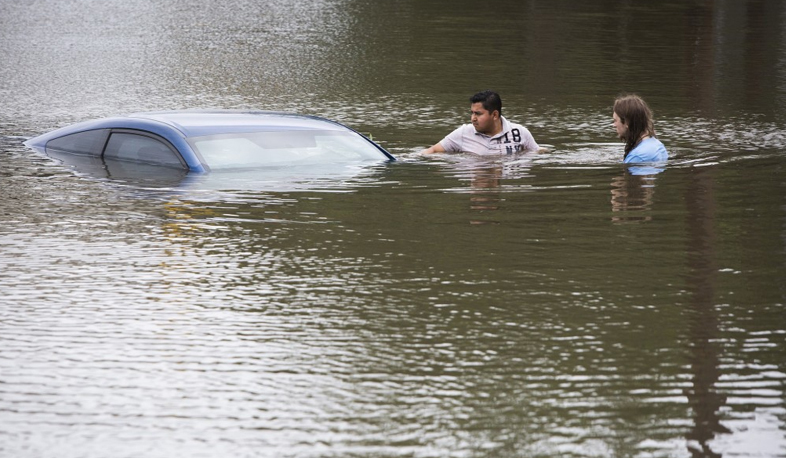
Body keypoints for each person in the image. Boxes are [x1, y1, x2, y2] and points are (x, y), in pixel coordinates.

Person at [421, 90, 546, 155]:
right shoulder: (464, 133)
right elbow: (433, 151)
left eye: (478, 114)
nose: (473, 118)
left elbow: (536, 152)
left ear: (494, 115)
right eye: (472, 113)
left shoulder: (519, 132)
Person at [612, 94, 668, 163]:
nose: (614, 125)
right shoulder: (658, 145)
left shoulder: (637, 157)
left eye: (615, 121)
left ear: (626, 122)